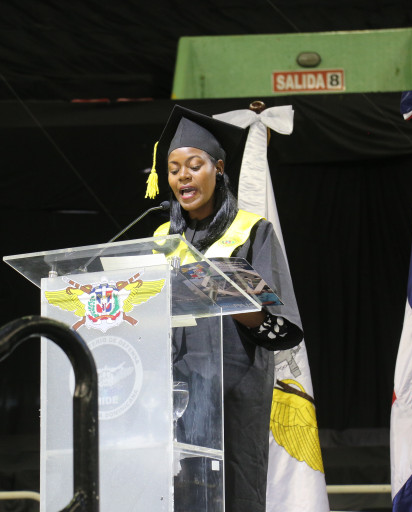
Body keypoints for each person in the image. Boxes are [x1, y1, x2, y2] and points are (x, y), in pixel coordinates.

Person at [146, 105, 306, 512]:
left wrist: (230, 296)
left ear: (218, 169)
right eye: (174, 169)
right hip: (173, 392)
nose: (182, 176)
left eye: (194, 166)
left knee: (234, 493)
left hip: (233, 391)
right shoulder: (161, 238)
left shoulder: (251, 231)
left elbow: (279, 327)